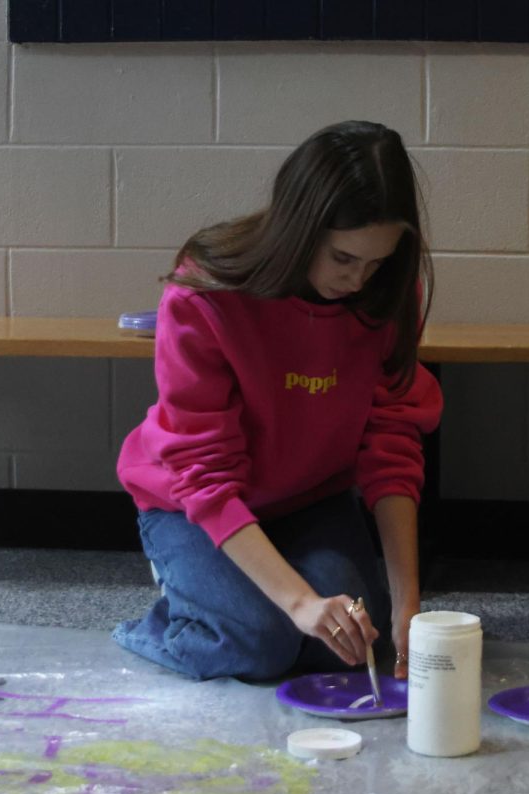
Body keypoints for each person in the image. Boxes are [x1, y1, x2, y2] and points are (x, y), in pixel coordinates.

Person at [113, 121, 442, 682]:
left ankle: (243, 600)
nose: (360, 279)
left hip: (310, 500)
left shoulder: (387, 292)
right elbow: (202, 472)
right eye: (343, 258)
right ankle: (168, 618)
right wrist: (297, 604)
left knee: (351, 639)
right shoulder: (206, 292)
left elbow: (392, 446)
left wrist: (408, 603)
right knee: (261, 643)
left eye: (377, 261)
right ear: (299, 228)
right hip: (191, 505)